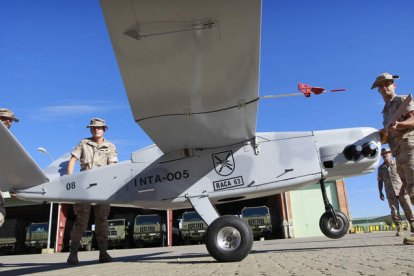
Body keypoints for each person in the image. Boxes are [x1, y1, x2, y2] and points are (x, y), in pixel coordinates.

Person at [66, 118, 118, 265]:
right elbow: (73, 160)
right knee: (81, 221)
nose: (96, 130)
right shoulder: (84, 143)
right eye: (93, 128)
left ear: (104, 129)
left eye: (99, 128)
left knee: (102, 221)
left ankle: (103, 253)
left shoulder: (110, 147)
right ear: (90, 129)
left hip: (102, 189)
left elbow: (112, 167)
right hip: (84, 189)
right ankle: (73, 254)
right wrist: (69, 179)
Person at [372, 72, 414, 244]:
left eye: (387, 83)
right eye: (381, 86)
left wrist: (400, 124)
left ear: (393, 85)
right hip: (398, 152)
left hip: (410, 147)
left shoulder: (402, 101)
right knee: (411, 190)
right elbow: (390, 132)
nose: (384, 87)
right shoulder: (386, 111)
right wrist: (383, 135)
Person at [377, 148, 414, 236]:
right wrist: (380, 192)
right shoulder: (380, 168)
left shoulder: (397, 164)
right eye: (383, 154)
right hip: (390, 192)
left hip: (402, 190)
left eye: (387, 153)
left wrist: (406, 187)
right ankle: (399, 227)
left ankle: (412, 225)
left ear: (390, 154)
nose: (385, 155)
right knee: (394, 211)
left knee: (408, 208)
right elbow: (380, 180)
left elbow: (404, 175)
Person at [0, 108, 19, 228]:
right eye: (4, 118)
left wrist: (13, 185)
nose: (8, 122)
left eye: (10, 120)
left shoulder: (7, 141)